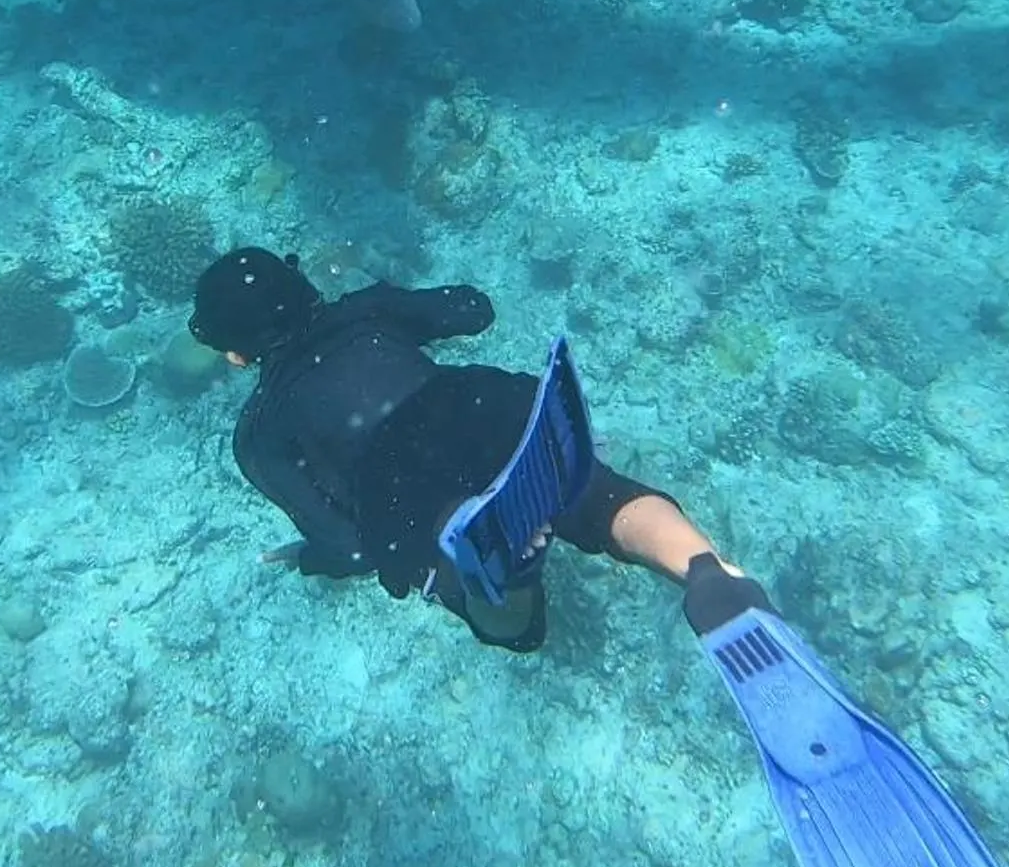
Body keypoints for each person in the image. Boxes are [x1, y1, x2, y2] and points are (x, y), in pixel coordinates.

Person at [188, 246, 766, 652]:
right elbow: (474, 309)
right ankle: (706, 571)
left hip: (394, 478)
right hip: (474, 402)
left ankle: (503, 571)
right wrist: (388, 302)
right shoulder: (364, 311)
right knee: (599, 496)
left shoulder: (258, 437)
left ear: (236, 355)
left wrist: (315, 558)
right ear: (303, 286)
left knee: (503, 616)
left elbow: (350, 545)